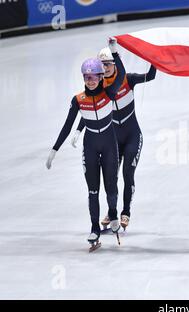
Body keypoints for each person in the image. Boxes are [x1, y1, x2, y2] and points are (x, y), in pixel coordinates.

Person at [46, 38, 126, 247]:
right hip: (90, 146)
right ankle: (94, 229)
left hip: (109, 144)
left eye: (94, 77)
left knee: (110, 187)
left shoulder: (109, 93)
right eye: (87, 77)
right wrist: (55, 149)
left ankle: (114, 213)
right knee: (92, 191)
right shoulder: (78, 99)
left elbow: (122, 74)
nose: (90, 80)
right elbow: (67, 125)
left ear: (101, 77)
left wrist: (114, 51)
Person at [71, 47, 157, 231]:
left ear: (115, 64)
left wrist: (154, 58)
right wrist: (78, 129)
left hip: (133, 135)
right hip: (113, 140)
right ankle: (112, 212)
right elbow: (90, 111)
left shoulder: (128, 79)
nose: (106, 67)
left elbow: (151, 76)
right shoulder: (100, 88)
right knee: (111, 179)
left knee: (128, 172)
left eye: (109, 63)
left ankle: (126, 212)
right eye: (102, 65)